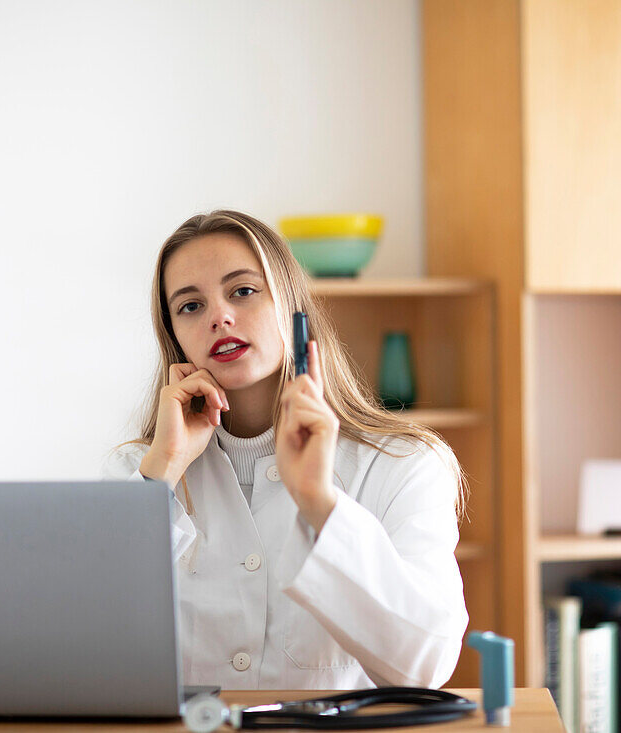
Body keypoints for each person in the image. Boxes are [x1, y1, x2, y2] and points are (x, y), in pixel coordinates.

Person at [103, 209, 468, 690]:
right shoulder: (141, 470)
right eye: (190, 306)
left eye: (243, 291)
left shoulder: (404, 464)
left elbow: (426, 666)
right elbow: (96, 646)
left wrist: (320, 502)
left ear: (292, 308)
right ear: (174, 337)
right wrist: (163, 473)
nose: (220, 317)